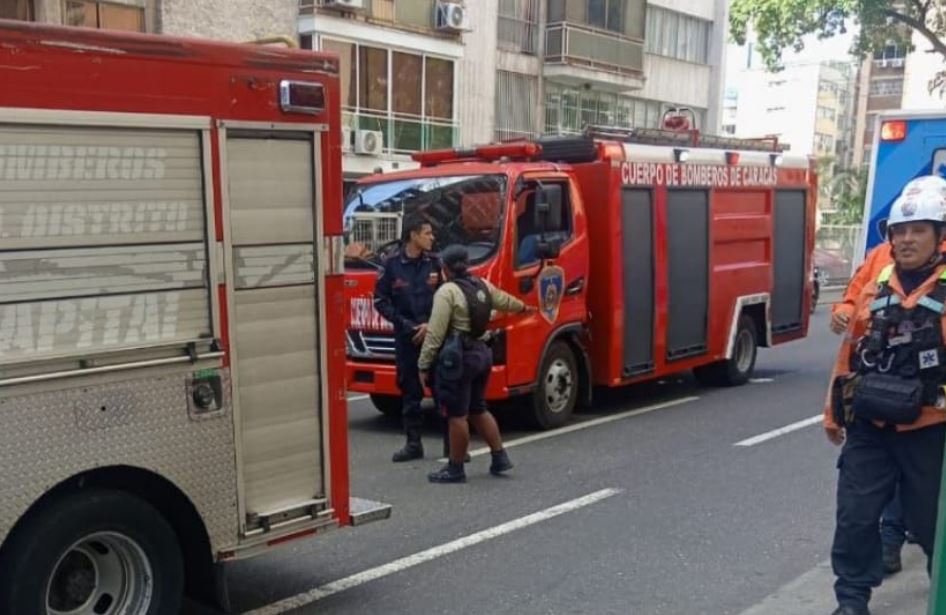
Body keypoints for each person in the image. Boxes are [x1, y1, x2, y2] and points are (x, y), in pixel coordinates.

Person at [824, 189, 946, 615]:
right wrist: (833, 412)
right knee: (855, 519)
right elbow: (851, 353)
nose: (907, 239)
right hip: (870, 428)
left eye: (918, 230)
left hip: (930, 431)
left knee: (933, 527)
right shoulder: (878, 283)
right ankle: (852, 602)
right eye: (900, 231)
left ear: (939, 236)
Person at [417, 245, 535, 483]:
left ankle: (455, 468)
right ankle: (499, 456)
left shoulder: (447, 292)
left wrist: (423, 364)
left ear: (445, 268)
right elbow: (504, 301)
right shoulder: (482, 285)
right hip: (482, 353)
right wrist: (525, 307)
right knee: (478, 408)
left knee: (456, 414)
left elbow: (436, 333)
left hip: (458, 358)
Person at [374, 215, 441, 462]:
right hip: (407, 337)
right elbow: (381, 301)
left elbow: (448, 295)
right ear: (413, 235)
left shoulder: (435, 262)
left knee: (443, 388)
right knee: (410, 390)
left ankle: (452, 445)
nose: (432, 237)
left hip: (434, 335)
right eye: (427, 232)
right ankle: (413, 443)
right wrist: (408, 326)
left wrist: (431, 325)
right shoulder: (391, 265)